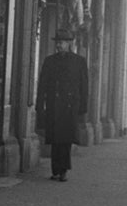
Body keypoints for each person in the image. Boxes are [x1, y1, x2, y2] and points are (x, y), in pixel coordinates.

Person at [35, 27, 89, 181]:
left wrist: (83, 107)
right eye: (58, 42)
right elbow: (42, 84)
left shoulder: (79, 61)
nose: (59, 45)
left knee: (65, 140)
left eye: (62, 42)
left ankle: (63, 170)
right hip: (53, 105)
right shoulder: (50, 61)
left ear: (69, 44)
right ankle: (55, 169)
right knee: (55, 139)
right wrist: (40, 104)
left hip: (70, 106)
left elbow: (84, 86)